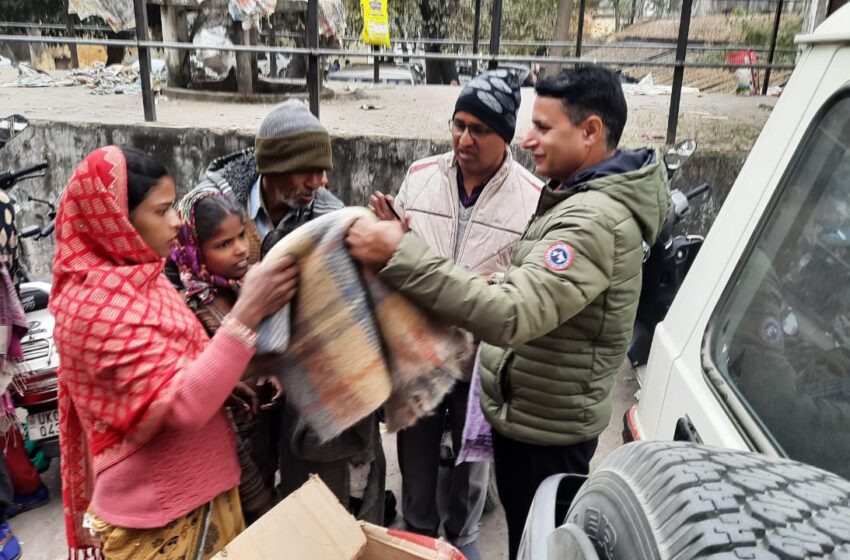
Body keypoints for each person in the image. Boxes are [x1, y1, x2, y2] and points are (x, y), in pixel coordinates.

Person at [347, 66, 671, 560]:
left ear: (590, 132)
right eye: (460, 125)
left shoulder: (588, 219)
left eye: (542, 127)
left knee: (528, 536)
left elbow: (512, 312)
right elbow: (526, 286)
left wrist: (397, 255)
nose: (529, 138)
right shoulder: (570, 197)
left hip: (542, 426)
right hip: (497, 390)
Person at [50, 146, 298, 559]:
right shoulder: (92, 308)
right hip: (161, 518)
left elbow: (172, 368)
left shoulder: (141, 275)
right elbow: (180, 406)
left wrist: (221, 384)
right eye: (161, 210)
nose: (177, 221)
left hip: (200, 492)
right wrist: (250, 312)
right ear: (115, 220)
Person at [370, 69, 542, 559]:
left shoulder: (532, 199)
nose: (464, 139)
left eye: (479, 129)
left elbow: (525, 286)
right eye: (458, 124)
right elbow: (400, 256)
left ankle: (464, 542)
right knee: (416, 473)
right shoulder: (421, 178)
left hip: (481, 362)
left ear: (504, 135)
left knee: (472, 477)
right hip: (420, 353)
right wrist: (392, 233)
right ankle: (416, 539)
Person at [167, 186, 284, 525]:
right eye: (223, 244)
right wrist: (260, 500)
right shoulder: (188, 311)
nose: (241, 250)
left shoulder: (239, 288)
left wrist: (268, 367)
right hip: (229, 459)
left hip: (260, 443)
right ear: (192, 249)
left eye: (241, 236)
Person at [195, 99, 343, 262]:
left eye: (320, 170)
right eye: (304, 171)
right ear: (271, 167)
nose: (315, 183)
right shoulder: (210, 203)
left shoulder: (329, 214)